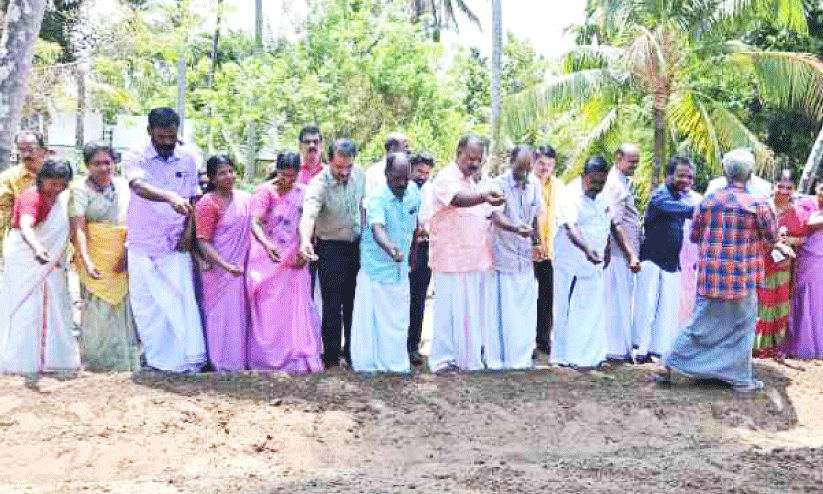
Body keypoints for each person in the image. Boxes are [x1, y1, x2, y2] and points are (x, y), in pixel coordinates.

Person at [661, 149, 784, 393]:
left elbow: (694, 236)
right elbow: (771, 237)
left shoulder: (707, 201)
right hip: (743, 278)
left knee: (700, 324)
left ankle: (674, 362)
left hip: (711, 277)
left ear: (725, 173)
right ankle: (739, 378)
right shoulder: (759, 203)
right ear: (750, 174)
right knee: (741, 328)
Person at [123, 107, 206, 373]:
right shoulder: (136, 155)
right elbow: (137, 186)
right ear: (149, 133)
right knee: (148, 306)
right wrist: (169, 197)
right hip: (143, 242)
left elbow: (194, 198)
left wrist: (188, 233)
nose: (168, 143)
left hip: (175, 243)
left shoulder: (188, 159)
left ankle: (186, 360)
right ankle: (158, 360)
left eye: (172, 137)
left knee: (179, 302)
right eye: (162, 138)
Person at [551, 156, 640, 369]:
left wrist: (620, 253)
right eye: (594, 182)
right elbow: (570, 229)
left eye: (602, 182)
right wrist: (587, 250)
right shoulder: (569, 195)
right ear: (584, 177)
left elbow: (610, 225)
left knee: (590, 310)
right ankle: (562, 357)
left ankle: (589, 356)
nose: (598, 187)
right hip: (571, 264)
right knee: (566, 309)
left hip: (595, 264)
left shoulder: (604, 196)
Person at [428, 135, 505, 372]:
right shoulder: (445, 178)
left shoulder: (475, 183)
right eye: (470, 158)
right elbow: (457, 200)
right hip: (449, 259)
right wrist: (483, 195)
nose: (474, 164)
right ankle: (443, 361)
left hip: (473, 259)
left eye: (478, 160)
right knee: (448, 313)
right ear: (458, 153)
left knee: (471, 314)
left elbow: (489, 213)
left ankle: (468, 359)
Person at [0, 161, 79, 382]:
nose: (56, 189)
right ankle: (21, 360)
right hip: (27, 258)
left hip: (50, 263)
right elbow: (26, 225)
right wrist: (37, 247)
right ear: (41, 179)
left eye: (61, 185)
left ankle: (54, 358)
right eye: (52, 183)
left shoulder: (63, 199)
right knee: (26, 308)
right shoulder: (31, 197)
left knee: (55, 305)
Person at [247, 152, 323, 373]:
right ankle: (267, 359)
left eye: (293, 176)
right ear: (277, 171)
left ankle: (295, 359)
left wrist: (305, 247)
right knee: (269, 313)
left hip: (295, 261)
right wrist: (267, 245)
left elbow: (310, 222)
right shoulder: (265, 192)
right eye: (285, 176)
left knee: (295, 313)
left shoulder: (303, 193)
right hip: (268, 261)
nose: (289, 181)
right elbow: (255, 223)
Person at [69, 142, 139, 371]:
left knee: (122, 307)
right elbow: (78, 227)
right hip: (94, 251)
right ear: (87, 165)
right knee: (96, 307)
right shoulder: (79, 189)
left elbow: (134, 223)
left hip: (121, 252)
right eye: (97, 163)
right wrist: (86, 259)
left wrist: (127, 252)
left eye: (107, 162)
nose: (103, 168)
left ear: (114, 163)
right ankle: (97, 362)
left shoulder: (123, 186)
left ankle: (121, 361)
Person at [351, 153, 420, 372]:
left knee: (398, 319)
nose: (401, 184)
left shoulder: (413, 193)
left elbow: (414, 225)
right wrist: (391, 249)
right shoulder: (377, 198)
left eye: (405, 178)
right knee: (373, 321)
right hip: (377, 268)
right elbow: (377, 228)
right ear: (387, 174)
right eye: (397, 178)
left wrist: (411, 254)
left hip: (401, 270)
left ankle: (395, 364)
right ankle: (369, 364)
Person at [299, 139, 365, 368]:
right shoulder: (319, 184)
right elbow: (308, 214)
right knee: (332, 305)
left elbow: (363, 205)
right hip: (331, 249)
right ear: (329, 161)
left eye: (348, 167)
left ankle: (353, 352)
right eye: (339, 168)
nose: (344, 172)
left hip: (356, 246)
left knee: (354, 302)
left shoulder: (360, 175)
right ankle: (332, 356)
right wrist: (305, 240)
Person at [631, 157, 696, 361]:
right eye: (681, 175)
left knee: (666, 309)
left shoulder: (679, 197)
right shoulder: (661, 196)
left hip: (670, 262)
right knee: (647, 306)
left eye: (689, 177)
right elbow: (688, 211)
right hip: (652, 261)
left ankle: (657, 350)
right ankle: (640, 350)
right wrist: (704, 208)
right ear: (669, 176)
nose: (686, 180)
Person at [487, 145, 544, 370]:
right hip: (503, 256)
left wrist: (538, 242)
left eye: (528, 169)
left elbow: (536, 217)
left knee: (524, 309)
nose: (524, 174)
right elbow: (496, 216)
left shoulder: (535, 185)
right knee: (504, 310)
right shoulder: (498, 185)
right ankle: (501, 359)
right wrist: (515, 228)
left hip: (525, 257)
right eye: (520, 169)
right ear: (511, 162)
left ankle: (521, 357)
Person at [194, 155, 252, 371]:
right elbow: (203, 242)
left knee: (239, 316)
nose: (228, 176)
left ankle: (238, 362)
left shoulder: (245, 199)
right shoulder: (207, 204)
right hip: (217, 271)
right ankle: (219, 363)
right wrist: (226, 265)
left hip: (242, 268)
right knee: (219, 316)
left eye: (230, 171)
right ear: (211, 178)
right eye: (221, 173)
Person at [754, 169, 807, 357]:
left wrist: (787, 240)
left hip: (783, 266)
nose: (784, 191)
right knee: (762, 303)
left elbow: (802, 240)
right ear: (773, 187)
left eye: (789, 187)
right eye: (780, 186)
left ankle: (774, 347)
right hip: (762, 262)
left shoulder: (797, 212)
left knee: (780, 304)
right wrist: (773, 240)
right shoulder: (762, 208)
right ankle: (757, 345)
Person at [602, 143, 642, 362]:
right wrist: (630, 255)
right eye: (631, 162)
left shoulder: (623, 182)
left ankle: (618, 348)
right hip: (619, 254)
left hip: (623, 253)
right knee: (615, 301)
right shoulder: (615, 185)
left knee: (622, 300)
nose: (634, 166)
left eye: (637, 162)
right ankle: (615, 349)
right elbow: (614, 223)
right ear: (618, 158)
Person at [786, 177, 823, 359]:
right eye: (822, 188)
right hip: (807, 257)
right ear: (816, 187)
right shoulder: (806, 203)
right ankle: (799, 342)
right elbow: (803, 223)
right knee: (802, 296)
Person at [532, 144, 563, 356]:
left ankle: (544, 338)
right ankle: (527, 340)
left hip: (552, 251)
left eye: (549, 164)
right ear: (534, 162)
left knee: (548, 296)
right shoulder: (527, 184)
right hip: (530, 249)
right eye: (541, 163)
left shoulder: (558, 186)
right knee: (528, 296)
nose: (545, 168)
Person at [0, 131, 47, 273]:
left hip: (52, 241)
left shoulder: (55, 175)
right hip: (21, 245)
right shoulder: (7, 179)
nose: (26, 155)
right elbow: (3, 215)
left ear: (43, 150)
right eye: (21, 150)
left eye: (31, 149)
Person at [407, 153, 435, 366]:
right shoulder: (401, 189)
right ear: (410, 169)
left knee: (418, 299)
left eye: (426, 173)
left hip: (424, 249)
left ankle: (413, 346)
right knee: (400, 298)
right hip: (402, 249)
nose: (422, 177)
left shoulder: (431, 191)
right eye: (419, 171)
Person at [365, 133, 409, 198]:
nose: (407, 150)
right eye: (405, 146)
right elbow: (369, 199)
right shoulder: (374, 172)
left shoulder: (408, 169)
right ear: (392, 148)